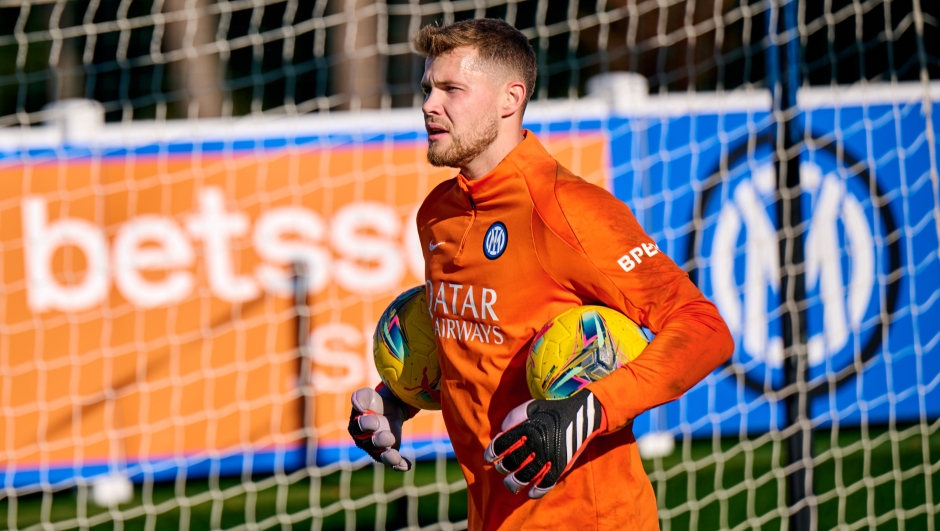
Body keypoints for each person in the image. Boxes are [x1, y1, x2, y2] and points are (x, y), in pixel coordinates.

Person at [347, 18, 734, 530]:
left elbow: (706, 331)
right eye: (427, 88)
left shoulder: (569, 209)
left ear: (510, 98)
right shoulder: (437, 214)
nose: (428, 105)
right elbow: (483, 350)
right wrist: (401, 394)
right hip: (492, 515)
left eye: (450, 90)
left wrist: (589, 410)